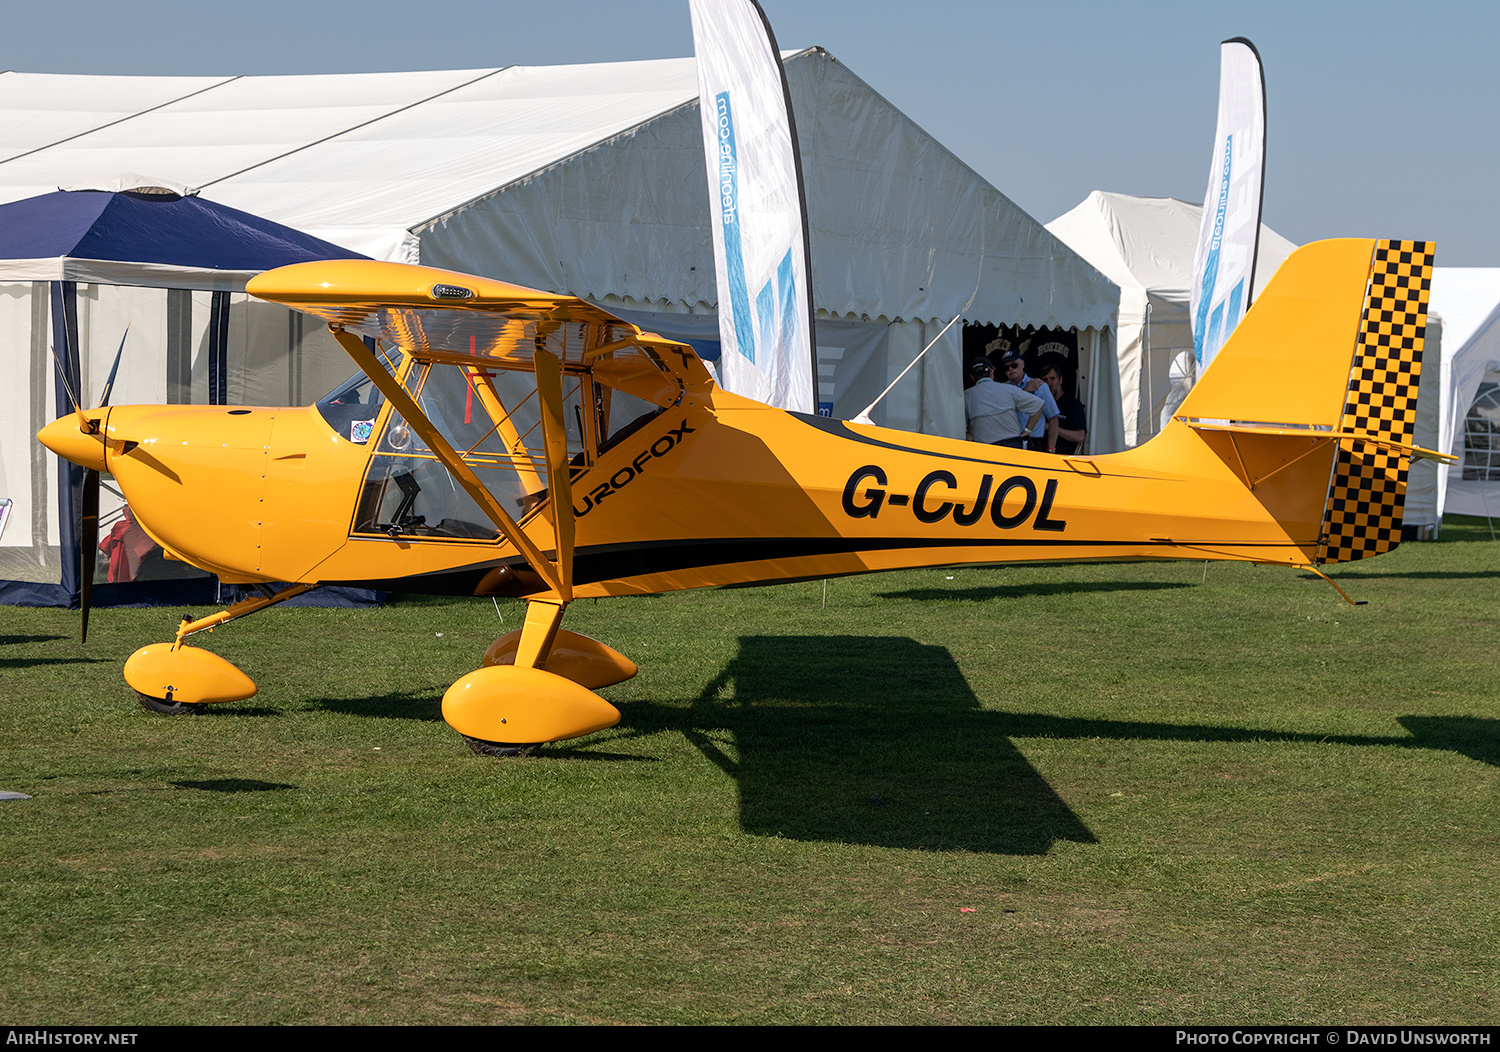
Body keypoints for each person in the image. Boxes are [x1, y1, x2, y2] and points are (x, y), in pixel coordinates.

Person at [964, 358, 1042, 447]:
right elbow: (1038, 405)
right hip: (1012, 445)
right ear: (992, 373)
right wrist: (1027, 431)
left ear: (972, 377)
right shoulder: (1009, 389)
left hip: (984, 449)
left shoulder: (966, 396)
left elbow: (960, 425)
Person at [997, 348, 1059, 453]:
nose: (1011, 369)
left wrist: (1051, 448)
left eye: (1014, 365)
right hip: (1009, 441)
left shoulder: (1039, 386)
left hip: (1034, 441)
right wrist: (1026, 391)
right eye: (1006, 367)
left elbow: (1053, 419)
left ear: (1023, 364)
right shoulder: (1002, 388)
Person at [1037, 355, 1088, 455]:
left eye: (1052, 379)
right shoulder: (1038, 403)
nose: (1049, 383)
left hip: (1063, 457)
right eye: (1045, 380)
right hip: (1039, 456)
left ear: (1060, 380)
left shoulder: (1073, 404)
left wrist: (1051, 427)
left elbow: (1080, 437)